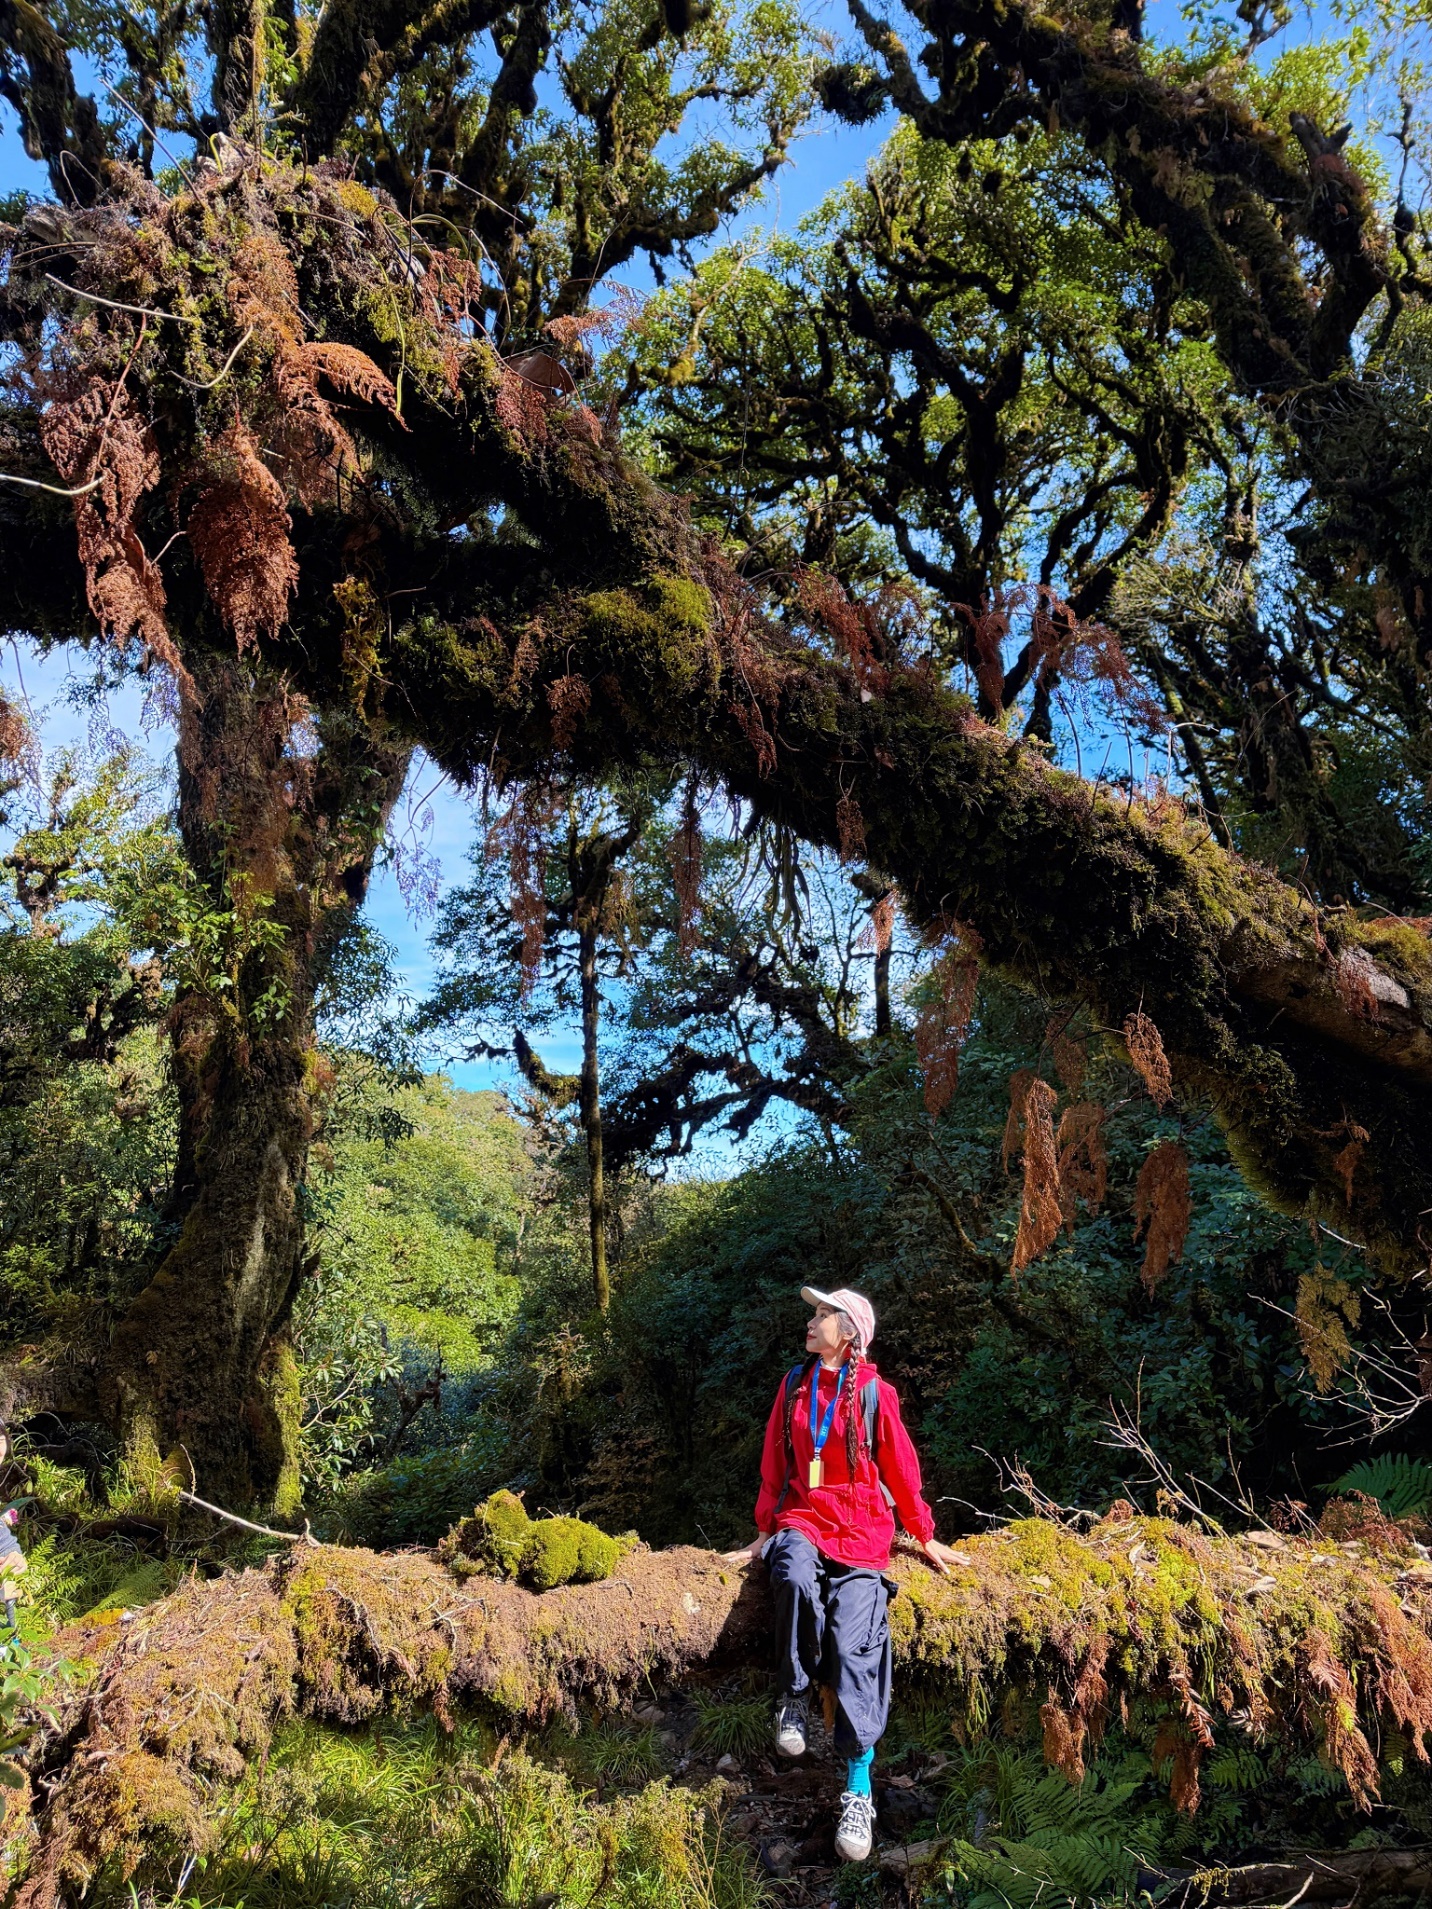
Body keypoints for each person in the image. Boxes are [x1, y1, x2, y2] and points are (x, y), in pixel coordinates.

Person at [725, 1285, 967, 1863]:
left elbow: (903, 1470)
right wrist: (764, 1529)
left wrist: (925, 1534)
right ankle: (794, 1697)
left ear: (849, 1332)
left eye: (822, 1314)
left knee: (855, 1641)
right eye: (814, 1313)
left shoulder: (876, 1396)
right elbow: (775, 1463)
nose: (811, 1322)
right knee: (789, 1572)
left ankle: (858, 1787)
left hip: (862, 1531)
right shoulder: (793, 1386)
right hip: (804, 1518)